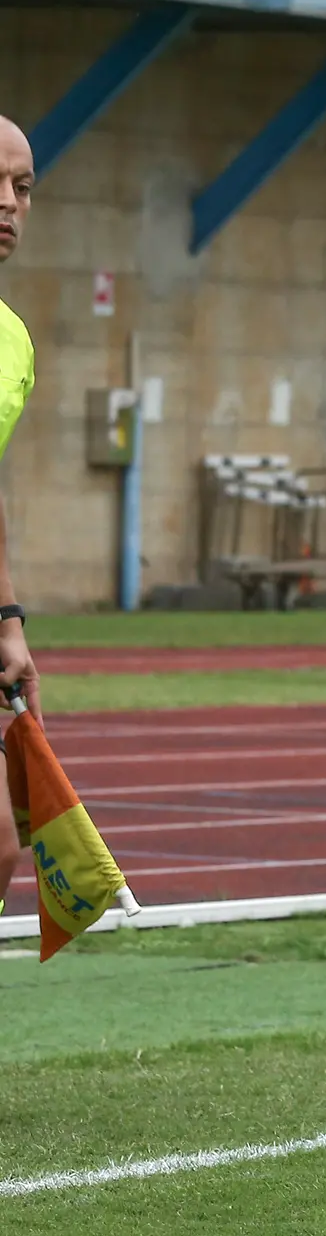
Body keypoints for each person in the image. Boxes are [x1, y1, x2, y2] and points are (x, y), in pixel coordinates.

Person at [0, 118, 40, 914]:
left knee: (4, 846)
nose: (8, 203)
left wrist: (9, 623)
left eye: (24, 186)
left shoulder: (13, 343)